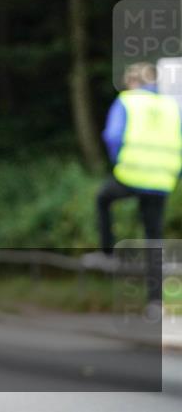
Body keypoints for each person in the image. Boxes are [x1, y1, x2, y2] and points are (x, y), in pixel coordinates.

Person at [88, 62, 182, 310]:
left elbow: (112, 135)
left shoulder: (128, 100)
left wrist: (118, 159)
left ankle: (107, 253)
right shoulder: (171, 106)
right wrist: (174, 173)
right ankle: (155, 301)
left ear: (132, 81)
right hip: (162, 179)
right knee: (154, 237)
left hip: (131, 174)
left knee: (102, 199)